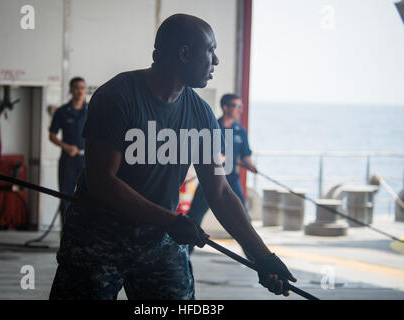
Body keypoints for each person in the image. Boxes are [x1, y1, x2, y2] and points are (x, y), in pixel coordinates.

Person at [49, 14, 296, 300]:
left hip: (159, 239)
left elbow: (220, 193)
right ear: (184, 53)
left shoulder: (201, 114)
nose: (216, 60)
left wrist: (262, 257)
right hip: (99, 237)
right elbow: (102, 181)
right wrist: (170, 220)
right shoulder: (117, 97)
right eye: (210, 51)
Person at [187, 93, 258, 257]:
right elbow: (200, 152)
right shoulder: (213, 126)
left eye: (241, 106)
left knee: (243, 219)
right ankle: (184, 253)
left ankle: (254, 258)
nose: (240, 110)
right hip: (211, 179)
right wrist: (216, 156)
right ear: (225, 107)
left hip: (232, 181)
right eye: (236, 106)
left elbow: (245, 155)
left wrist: (250, 165)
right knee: (194, 216)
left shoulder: (240, 131)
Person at [49, 77, 88, 225]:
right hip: (68, 160)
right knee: (66, 198)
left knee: (87, 199)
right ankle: (65, 236)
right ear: (71, 90)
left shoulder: (90, 110)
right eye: (77, 88)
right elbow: (52, 135)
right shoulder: (62, 111)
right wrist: (66, 147)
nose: (80, 91)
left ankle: (83, 235)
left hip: (86, 161)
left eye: (83, 88)